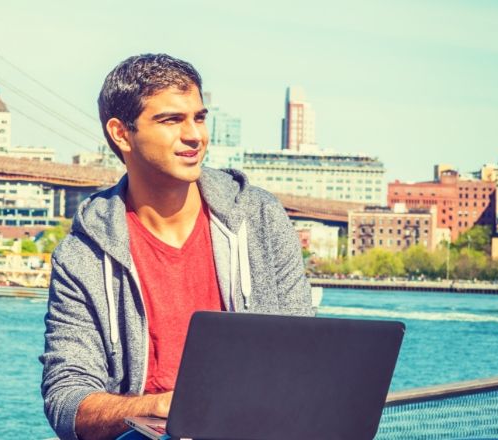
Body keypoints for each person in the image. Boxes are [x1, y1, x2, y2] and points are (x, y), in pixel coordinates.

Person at [40, 53, 314, 440]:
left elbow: (303, 354)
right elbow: (67, 402)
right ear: (121, 133)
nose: (195, 136)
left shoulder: (261, 218)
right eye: (171, 120)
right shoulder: (82, 255)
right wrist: (157, 406)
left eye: (199, 118)